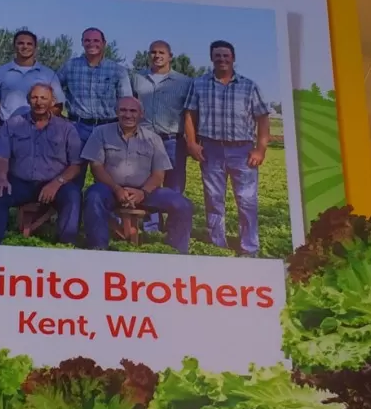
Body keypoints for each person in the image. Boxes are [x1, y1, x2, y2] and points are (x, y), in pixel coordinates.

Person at [182, 39, 270, 257]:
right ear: (212, 58)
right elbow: (189, 115)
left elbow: (263, 119)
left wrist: (260, 150)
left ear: (233, 58)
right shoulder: (199, 84)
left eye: (226, 56)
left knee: (247, 200)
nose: (222, 59)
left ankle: (249, 247)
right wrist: (192, 144)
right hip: (211, 149)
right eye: (217, 55)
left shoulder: (249, 86)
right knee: (213, 198)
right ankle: (216, 243)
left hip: (243, 151)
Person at [81, 97, 193, 253]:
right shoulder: (100, 132)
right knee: (93, 196)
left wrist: (143, 192)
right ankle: (98, 247)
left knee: (183, 205)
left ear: (141, 114)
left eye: (133, 111)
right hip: (111, 190)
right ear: (116, 112)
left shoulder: (153, 138)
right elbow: (96, 167)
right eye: (123, 110)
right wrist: (117, 189)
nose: (128, 115)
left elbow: (159, 174)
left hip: (145, 192)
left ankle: (177, 252)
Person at [0, 84, 82, 245]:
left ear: (53, 102)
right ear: (28, 101)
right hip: (21, 182)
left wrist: (57, 183)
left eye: (43, 98)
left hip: (54, 183)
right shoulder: (12, 125)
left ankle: (66, 245)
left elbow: (76, 164)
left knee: (73, 195)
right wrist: (2, 179)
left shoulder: (67, 129)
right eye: (34, 97)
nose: (39, 102)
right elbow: (1, 157)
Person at [57, 27, 132, 186]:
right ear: (82, 43)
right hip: (78, 127)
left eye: (96, 40)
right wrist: (58, 116)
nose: (91, 44)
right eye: (87, 40)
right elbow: (53, 91)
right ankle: (73, 209)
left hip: (108, 127)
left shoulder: (118, 70)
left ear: (104, 43)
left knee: (109, 176)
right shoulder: (70, 66)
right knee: (73, 174)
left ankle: (101, 209)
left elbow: (126, 101)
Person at [131, 40, 193, 230]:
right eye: (153, 52)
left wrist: (191, 140)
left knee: (174, 184)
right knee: (148, 181)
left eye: (161, 53)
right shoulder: (137, 78)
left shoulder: (185, 82)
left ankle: (175, 225)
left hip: (172, 140)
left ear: (170, 56)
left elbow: (190, 113)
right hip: (144, 139)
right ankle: (151, 225)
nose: (157, 56)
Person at [0, 29, 65, 131]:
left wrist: (42, 121)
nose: (25, 46)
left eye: (29, 44)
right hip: (6, 128)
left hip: (38, 130)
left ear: (35, 47)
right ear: (14, 46)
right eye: (20, 43)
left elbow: (58, 105)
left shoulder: (48, 74)